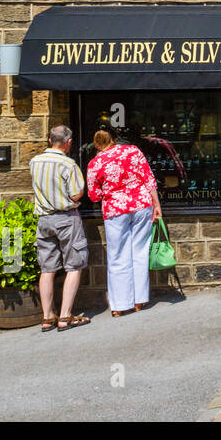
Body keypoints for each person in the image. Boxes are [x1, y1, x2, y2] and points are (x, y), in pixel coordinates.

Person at [86, 129, 161, 317]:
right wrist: (156, 205)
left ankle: (120, 305)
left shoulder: (95, 163)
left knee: (118, 255)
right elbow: (149, 179)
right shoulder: (133, 151)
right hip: (141, 203)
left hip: (115, 208)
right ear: (114, 139)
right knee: (140, 251)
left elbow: (93, 195)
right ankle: (139, 300)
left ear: (96, 144)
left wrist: (109, 192)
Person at [30, 125, 90, 332]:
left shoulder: (34, 162)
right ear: (69, 142)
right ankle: (65, 315)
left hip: (44, 219)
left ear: (49, 140)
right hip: (65, 217)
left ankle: (47, 317)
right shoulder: (68, 164)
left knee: (47, 268)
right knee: (74, 265)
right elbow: (75, 195)